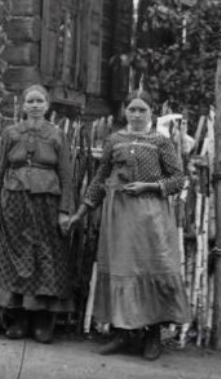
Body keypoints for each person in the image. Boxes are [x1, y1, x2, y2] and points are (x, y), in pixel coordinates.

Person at [66, 89, 190, 360]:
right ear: (124, 111)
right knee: (122, 268)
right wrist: (82, 211)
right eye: (131, 109)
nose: (135, 114)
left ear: (151, 113)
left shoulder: (160, 141)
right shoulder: (115, 140)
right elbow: (100, 178)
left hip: (151, 216)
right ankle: (122, 334)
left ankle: (153, 335)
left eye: (141, 110)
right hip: (119, 216)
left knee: (153, 266)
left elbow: (178, 179)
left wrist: (148, 185)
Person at [0, 84, 74, 344]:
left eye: (40, 101)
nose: (35, 105)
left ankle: (42, 322)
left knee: (46, 257)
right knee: (15, 256)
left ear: (48, 106)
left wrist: (65, 210)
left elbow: (67, 175)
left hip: (47, 204)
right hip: (14, 201)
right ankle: (19, 319)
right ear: (23, 106)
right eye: (30, 101)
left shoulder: (57, 135)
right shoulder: (11, 133)